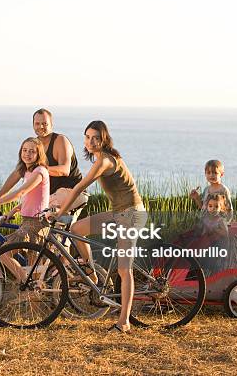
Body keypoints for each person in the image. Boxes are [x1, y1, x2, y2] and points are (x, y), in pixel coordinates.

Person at [48, 120, 147, 333]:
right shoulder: (102, 158)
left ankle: (124, 322)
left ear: (104, 139)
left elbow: (78, 188)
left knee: (123, 269)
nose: (91, 141)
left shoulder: (104, 161)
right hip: (118, 212)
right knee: (76, 230)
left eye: (95, 138)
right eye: (87, 137)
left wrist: (60, 212)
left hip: (131, 214)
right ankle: (92, 273)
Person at [0, 137, 50, 281]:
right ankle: (30, 285)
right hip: (28, 222)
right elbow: (33, 199)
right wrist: (14, 210)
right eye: (24, 150)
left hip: (36, 224)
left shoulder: (40, 171)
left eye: (32, 151)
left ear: (39, 155)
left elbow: (21, 192)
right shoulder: (27, 171)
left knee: (3, 253)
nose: (27, 154)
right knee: (35, 271)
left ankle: (26, 280)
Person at [0, 109, 84, 209]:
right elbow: (17, 173)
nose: (41, 127)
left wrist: (39, 169)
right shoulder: (34, 145)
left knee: (48, 219)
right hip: (51, 197)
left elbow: (64, 170)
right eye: (37, 123)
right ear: (33, 125)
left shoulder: (60, 140)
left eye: (45, 123)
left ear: (51, 124)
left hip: (72, 192)